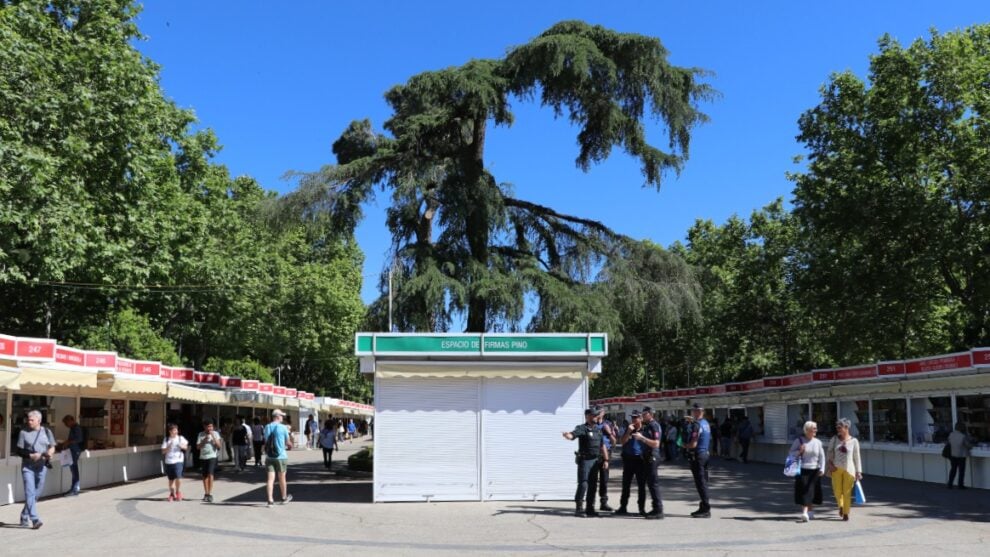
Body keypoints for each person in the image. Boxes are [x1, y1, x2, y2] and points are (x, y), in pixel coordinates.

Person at [562, 408, 609, 517]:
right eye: (594, 415)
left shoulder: (598, 430)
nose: (596, 417)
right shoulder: (582, 428)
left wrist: (606, 460)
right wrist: (568, 436)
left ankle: (590, 508)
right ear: (587, 416)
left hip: (596, 461)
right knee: (583, 484)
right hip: (585, 460)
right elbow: (573, 435)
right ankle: (579, 509)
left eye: (597, 415)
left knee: (593, 485)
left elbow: (602, 446)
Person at [16, 410, 55, 529]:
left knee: (36, 493)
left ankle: (24, 515)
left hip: (42, 466)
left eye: (32, 420)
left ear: (39, 420)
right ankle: (35, 519)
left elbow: (52, 446)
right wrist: (30, 456)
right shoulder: (23, 432)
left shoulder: (47, 431)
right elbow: (19, 451)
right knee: (29, 492)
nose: (29, 421)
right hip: (28, 466)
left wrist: (49, 453)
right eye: (28, 419)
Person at [826, 417, 862, 521]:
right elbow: (829, 452)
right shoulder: (834, 439)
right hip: (836, 469)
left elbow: (857, 457)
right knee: (837, 491)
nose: (838, 430)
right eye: (837, 428)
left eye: (840, 427)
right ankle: (840, 505)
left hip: (849, 470)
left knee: (847, 492)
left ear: (846, 428)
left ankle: (846, 513)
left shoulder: (854, 441)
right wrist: (830, 465)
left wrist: (858, 471)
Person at [790, 420, 825, 522]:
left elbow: (822, 457)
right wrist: (800, 451)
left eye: (816, 428)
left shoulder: (818, 442)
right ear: (807, 429)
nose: (816, 430)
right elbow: (791, 453)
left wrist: (822, 468)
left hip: (815, 471)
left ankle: (810, 511)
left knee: (812, 492)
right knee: (805, 492)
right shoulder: (799, 441)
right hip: (802, 470)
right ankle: (805, 512)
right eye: (814, 428)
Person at [615, 410, 648, 517]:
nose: (634, 419)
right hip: (628, 459)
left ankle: (641, 508)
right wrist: (628, 432)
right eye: (632, 417)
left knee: (641, 486)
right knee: (626, 485)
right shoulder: (628, 429)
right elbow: (622, 441)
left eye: (636, 417)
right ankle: (623, 506)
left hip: (640, 460)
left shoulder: (645, 430)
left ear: (641, 418)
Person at [685, 403, 712, 518]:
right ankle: (703, 505)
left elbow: (693, 444)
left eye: (694, 411)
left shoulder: (697, 425)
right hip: (705, 453)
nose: (693, 413)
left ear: (697, 412)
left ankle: (706, 508)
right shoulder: (705, 423)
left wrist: (683, 445)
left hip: (698, 455)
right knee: (703, 482)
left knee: (700, 483)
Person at [638, 406, 664, 519]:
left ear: (650, 414)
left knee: (653, 484)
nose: (642, 416)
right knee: (650, 483)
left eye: (644, 413)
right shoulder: (648, 426)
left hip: (652, 456)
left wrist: (641, 438)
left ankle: (658, 510)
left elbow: (656, 443)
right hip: (647, 456)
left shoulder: (654, 425)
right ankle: (655, 508)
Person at [264, 409, 293, 506]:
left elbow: (266, 440)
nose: (282, 417)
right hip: (281, 456)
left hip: (269, 456)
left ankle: (270, 500)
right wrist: (290, 445)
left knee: (270, 479)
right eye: (281, 416)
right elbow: (288, 442)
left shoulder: (267, 427)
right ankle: (284, 498)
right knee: (282, 478)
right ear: (277, 416)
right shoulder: (283, 427)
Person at [593, 407, 617, 512]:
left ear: (603, 413)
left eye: (600, 412)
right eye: (597, 412)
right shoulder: (591, 423)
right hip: (594, 454)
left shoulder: (608, 424)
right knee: (592, 480)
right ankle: (591, 503)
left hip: (605, 454)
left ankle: (604, 503)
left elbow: (615, 442)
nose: (598, 413)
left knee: (604, 480)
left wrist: (609, 432)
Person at [161, 423, 189, 502]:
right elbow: (163, 451)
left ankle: (178, 491)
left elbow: (186, 447)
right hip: (169, 461)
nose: (175, 431)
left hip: (178, 460)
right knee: (171, 479)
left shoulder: (180, 438)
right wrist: (168, 447)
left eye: (176, 430)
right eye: (174, 430)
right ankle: (172, 494)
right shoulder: (166, 439)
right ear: (170, 431)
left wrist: (181, 446)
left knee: (178, 477)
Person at [197, 418, 222, 503]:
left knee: (210, 474)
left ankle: (210, 493)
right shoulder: (201, 434)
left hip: (212, 456)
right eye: (208, 427)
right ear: (204, 427)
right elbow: (198, 447)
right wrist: (204, 440)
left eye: (211, 426)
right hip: (203, 457)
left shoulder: (216, 433)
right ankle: (206, 493)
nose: (210, 428)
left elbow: (219, 446)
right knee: (204, 476)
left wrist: (213, 438)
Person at [61, 414, 84, 496]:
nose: (66, 425)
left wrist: (68, 442)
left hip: (75, 451)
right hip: (73, 450)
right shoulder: (73, 428)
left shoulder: (76, 428)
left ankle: (75, 489)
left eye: (66, 423)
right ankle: (73, 488)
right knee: (73, 470)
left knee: (74, 470)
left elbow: (78, 439)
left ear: (70, 421)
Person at [946, 421, 972, 489]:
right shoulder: (963, 436)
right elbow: (968, 446)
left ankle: (950, 483)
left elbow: (949, 442)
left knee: (953, 470)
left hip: (953, 454)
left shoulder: (951, 434)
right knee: (961, 471)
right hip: (961, 455)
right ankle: (960, 485)